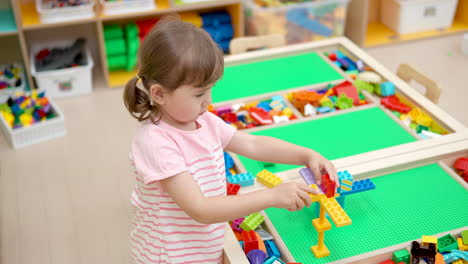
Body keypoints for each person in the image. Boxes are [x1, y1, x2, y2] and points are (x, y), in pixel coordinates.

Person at [123, 18, 339, 264]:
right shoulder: (155, 143)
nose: (208, 100)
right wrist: (272, 196)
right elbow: (200, 209)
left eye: (210, 89)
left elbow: (253, 145)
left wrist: (306, 155)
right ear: (159, 94)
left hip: (204, 245)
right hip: (170, 257)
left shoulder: (206, 122)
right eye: (199, 94)